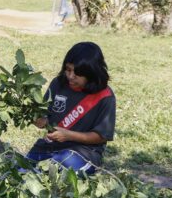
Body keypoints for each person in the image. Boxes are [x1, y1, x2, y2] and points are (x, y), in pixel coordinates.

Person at [27, 42, 115, 175]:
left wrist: (69, 135)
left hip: (83, 153)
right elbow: (46, 117)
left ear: (91, 73)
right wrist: (40, 120)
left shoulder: (105, 96)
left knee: (49, 172)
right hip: (49, 147)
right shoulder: (58, 83)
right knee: (20, 171)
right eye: (68, 70)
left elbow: (101, 136)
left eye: (77, 73)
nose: (70, 76)